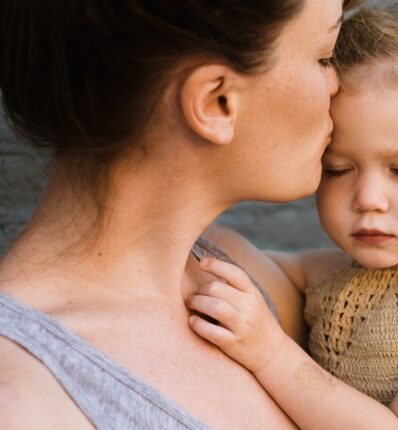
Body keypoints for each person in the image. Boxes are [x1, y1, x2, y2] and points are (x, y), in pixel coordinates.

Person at [0, 0, 358, 428]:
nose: (338, 84)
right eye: (324, 57)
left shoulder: (236, 272)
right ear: (216, 101)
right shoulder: (23, 398)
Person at [186, 1, 398, 429]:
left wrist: (271, 352)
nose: (368, 198)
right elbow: (240, 256)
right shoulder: (330, 275)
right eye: (338, 169)